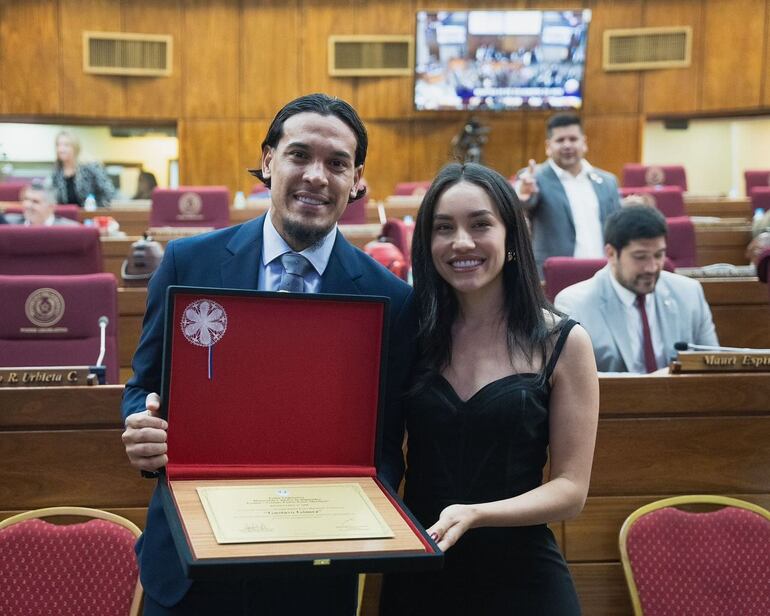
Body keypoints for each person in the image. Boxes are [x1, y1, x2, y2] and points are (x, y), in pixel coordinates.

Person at [120, 93, 416, 615]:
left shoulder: (389, 299)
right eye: (300, 155)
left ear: (356, 179)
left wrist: (360, 501)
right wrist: (142, 432)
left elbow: (385, 444)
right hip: (189, 572)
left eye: (337, 163)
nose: (316, 176)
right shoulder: (189, 264)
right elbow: (143, 388)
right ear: (268, 160)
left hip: (313, 575)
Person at [381, 163, 599, 615]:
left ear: (510, 236)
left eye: (480, 224)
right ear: (427, 243)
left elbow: (571, 491)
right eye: (444, 228)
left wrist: (477, 513)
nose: (461, 242)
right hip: (422, 570)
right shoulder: (410, 334)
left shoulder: (562, 341)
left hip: (524, 578)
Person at [555, 205, 718, 373]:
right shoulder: (575, 304)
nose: (652, 267)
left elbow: (711, 363)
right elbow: (572, 379)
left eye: (659, 255)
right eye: (640, 257)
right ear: (611, 254)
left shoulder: (689, 293)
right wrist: (649, 383)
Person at [514, 114, 621, 277]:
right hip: (557, 274)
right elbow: (525, 201)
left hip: (604, 273)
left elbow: (616, 227)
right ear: (548, 146)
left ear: (584, 143)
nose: (567, 145)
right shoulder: (534, 178)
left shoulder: (607, 181)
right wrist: (523, 194)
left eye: (573, 139)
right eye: (560, 140)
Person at [50, 130, 114, 208]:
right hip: (66, 217)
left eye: (66, 145)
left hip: (90, 215)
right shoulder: (57, 171)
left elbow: (108, 192)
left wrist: (96, 209)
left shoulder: (91, 167)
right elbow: (54, 199)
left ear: (75, 147)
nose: (61, 149)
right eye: (58, 145)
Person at [5, 180, 79, 226]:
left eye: (35, 201)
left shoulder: (70, 229)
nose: (28, 205)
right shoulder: (8, 224)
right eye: (26, 199)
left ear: (51, 207)